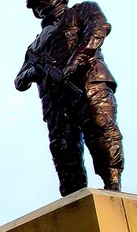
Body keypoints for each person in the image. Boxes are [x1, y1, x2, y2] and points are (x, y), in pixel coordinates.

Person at [14, 0, 123, 197]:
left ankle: (113, 185)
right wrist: (35, 71)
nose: (33, 5)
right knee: (64, 149)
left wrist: (74, 63)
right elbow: (19, 80)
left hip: (88, 81)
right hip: (54, 101)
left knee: (101, 130)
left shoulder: (82, 9)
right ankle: (74, 198)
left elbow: (98, 29)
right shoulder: (35, 45)